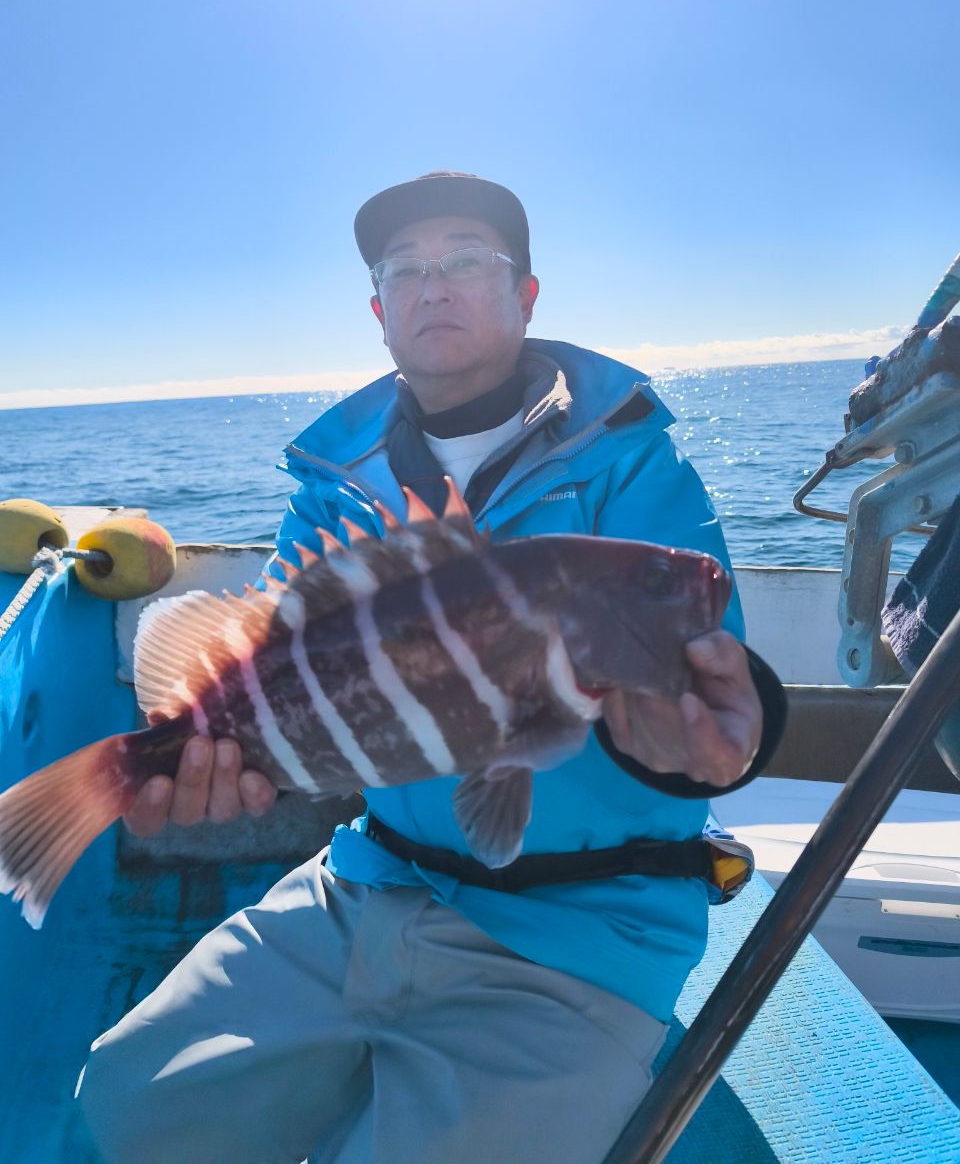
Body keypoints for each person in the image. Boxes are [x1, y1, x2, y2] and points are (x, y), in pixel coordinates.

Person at [78, 172, 785, 1164]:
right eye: (405, 268)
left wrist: (699, 745)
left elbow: (716, 675)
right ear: (379, 310)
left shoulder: (632, 461)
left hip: (578, 935)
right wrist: (222, 761)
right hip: (363, 881)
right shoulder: (334, 481)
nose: (433, 284)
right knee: (123, 1097)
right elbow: (285, 659)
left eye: (466, 260)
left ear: (526, 293)